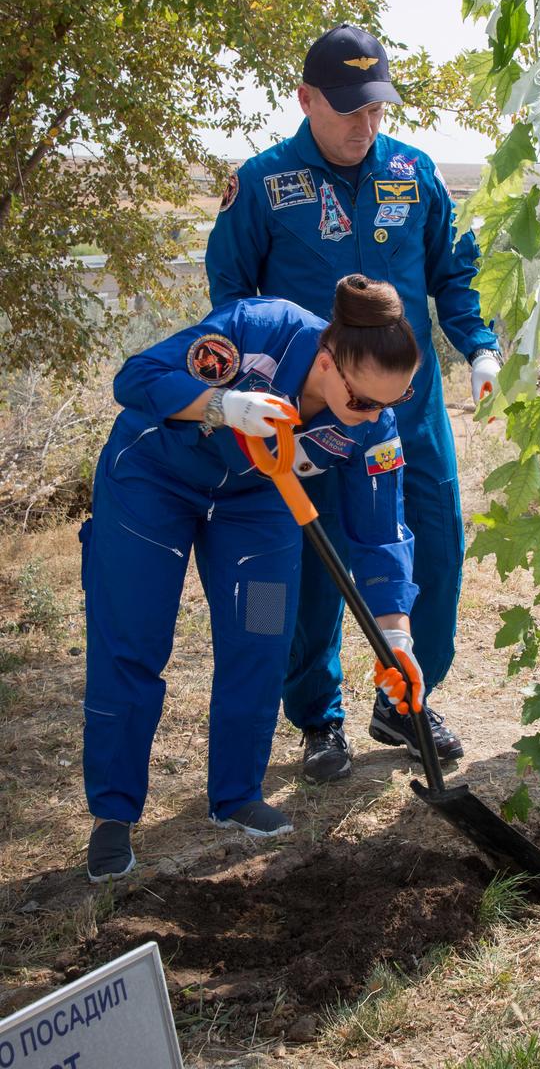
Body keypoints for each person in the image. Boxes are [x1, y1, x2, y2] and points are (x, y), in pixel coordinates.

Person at [205, 23, 502, 784]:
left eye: (375, 110)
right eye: (346, 112)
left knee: (431, 549)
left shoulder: (413, 170)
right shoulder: (264, 184)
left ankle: (405, 694)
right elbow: (231, 302)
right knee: (314, 567)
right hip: (308, 417)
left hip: (411, 411)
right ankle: (318, 719)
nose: (364, 127)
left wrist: (480, 345)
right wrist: (254, 401)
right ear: (305, 99)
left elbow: (453, 271)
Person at [81, 274, 425, 882]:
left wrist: (397, 643)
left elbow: (381, 536)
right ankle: (113, 815)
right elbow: (134, 379)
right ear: (326, 361)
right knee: (132, 643)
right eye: (365, 402)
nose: (376, 416)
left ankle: (236, 793)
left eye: (391, 404)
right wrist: (222, 405)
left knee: (260, 638)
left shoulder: (374, 425)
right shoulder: (258, 331)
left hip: (260, 504)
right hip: (152, 482)